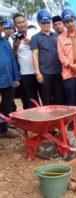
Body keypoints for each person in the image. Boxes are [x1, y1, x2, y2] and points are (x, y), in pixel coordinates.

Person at [31, 9, 64, 105]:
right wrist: (37, 73)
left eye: (48, 22)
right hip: (45, 73)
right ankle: (48, 120)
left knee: (59, 98)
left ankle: (58, 119)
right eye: (43, 23)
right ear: (39, 23)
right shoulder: (35, 38)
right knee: (46, 99)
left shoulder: (57, 36)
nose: (46, 25)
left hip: (58, 72)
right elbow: (35, 55)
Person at [9, 13, 40, 109]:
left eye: (23, 21)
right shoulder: (12, 38)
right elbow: (12, 56)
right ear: (15, 25)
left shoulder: (34, 33)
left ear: (26, 22)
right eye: (19, 23)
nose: (22, 24)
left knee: (44, 96)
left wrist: (32, 42)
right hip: (25, 72)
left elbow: (42, 48)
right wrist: (15, 47)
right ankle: (33, 120)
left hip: (40, 71)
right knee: (31, 98)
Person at [0, 16, 20, 148]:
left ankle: (3, 130)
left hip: (8, 81)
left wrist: (16, 78)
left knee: (6, 106)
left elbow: (12, 61)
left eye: (0, 25)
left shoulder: (5, 42)